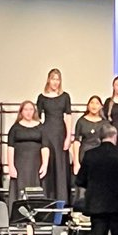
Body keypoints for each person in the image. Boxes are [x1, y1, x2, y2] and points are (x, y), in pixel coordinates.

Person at [36, 69, 73, 204]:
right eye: (53, 79)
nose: (55, 82)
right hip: (47, 132)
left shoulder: (65, 96)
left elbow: (68, 117)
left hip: (60, 132)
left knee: (61, 165)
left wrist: (68, 137)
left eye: (58, 79)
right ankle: (47, 199)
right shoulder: (42, 97)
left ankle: (62, 200)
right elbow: (37, 118)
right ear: (48, 80)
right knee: (48, 163)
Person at [7, 101, 49, 204]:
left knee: (36, 188)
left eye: (31, 109)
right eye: (26, 109)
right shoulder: (15, 128)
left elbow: (45, 147)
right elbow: (10, 148)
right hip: (20, 165)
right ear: (21, 111)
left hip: (35, 164)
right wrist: (11, 166)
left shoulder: (41, 127)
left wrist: (45, 165)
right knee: (20, 189)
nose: (28, 112)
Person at [72, 96, 107, 178]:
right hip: (84, 154)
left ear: (101, 106)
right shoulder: (81, 121)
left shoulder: (105, 123)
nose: (94, 105)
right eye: (92, 103)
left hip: (100, 156)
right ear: (88, 105)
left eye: (97, 103)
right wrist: (76, 162)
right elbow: (76, 141)